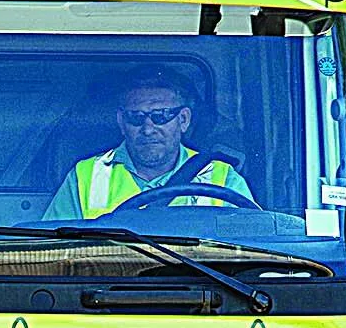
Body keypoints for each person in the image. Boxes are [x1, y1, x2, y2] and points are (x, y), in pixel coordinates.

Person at [46, 64, 253, 221]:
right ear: (121, 121)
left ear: (183, 120)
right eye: (136, 117)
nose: (147, 128)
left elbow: (249, 250)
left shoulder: (222, 177)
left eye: (161, 116)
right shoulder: (85, 176)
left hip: (199, 279)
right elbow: (54, 252)